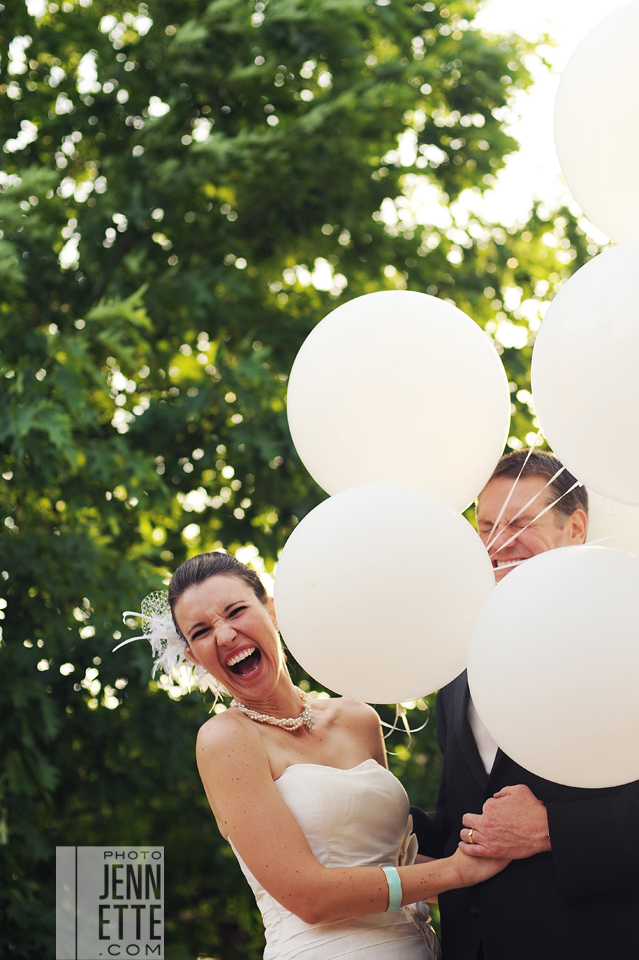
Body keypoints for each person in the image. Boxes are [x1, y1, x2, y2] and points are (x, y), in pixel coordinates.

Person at [149, 550, 508, 960]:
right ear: (194, 656)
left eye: (235, 611)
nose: (226, 635)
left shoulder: (357, 718)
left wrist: (501, 851)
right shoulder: (225, 741)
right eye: (201, 631)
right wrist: (458, 871)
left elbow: (393, 859)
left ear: (271, 610)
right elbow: (310, 898)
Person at [411, 450, 639, 960]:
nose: (495, 542)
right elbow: (460, 819)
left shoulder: (630, 641)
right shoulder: (458, 665)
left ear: (575, 527)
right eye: (485, 524)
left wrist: (552, 831)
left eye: (519, 522)